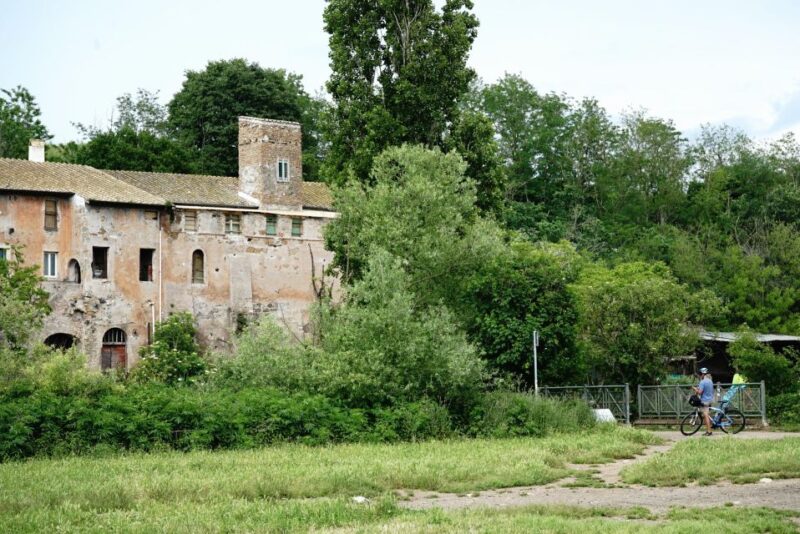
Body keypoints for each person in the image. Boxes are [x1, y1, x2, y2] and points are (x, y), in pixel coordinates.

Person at [694, 368, 715, 436]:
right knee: (707, 415)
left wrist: (695, 389)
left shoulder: (702, 382)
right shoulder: (710, 381)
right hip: (710, 399)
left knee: (706, 415)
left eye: (700, 374)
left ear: (702, 374)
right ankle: (709, 429)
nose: (700, 376)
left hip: (705, 400)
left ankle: (709, 431)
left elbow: (700, 392)